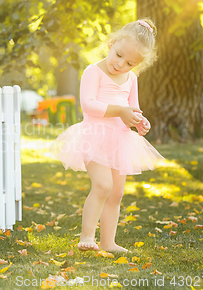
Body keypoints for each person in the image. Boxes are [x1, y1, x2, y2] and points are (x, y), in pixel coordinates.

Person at [49, 19, 165, 252]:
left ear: (137, 65)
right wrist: (120, 111)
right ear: (111, 43)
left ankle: (108, 242)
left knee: (116, 193)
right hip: (95, 136)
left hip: (120, 139)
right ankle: (87, 237)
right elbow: (88, 105)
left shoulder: (132, 79)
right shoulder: (94, 71)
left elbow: (133, 108)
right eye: (119, 55)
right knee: (102, 185)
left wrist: (140, 122)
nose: (120, 64)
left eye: (130, 63)